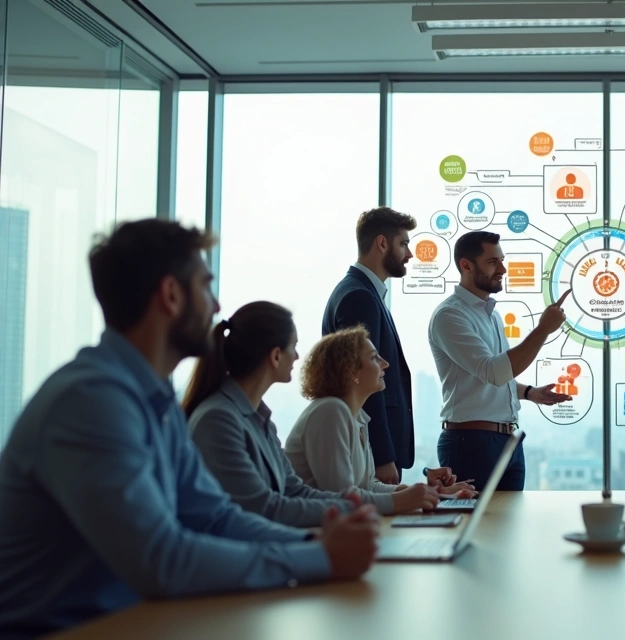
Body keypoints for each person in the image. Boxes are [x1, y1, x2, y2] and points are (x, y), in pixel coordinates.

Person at [0, 220, 378, 638]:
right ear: (171, 295)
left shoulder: (154, 402)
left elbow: (215, 517)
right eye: (205, 286)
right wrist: (321, 559)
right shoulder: (91, 401)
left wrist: (313, 547)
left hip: (133, 621)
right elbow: (162, 559)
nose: (216, 306)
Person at [185, 302, 440, 525]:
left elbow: (296, 491)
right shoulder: (219, 418)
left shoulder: (261, 421)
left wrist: (410, 495)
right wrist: (395, 503)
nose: (297, 355)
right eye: (293, 347)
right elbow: (267, 509)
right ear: (275, 356)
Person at [428, 231, 571, 490]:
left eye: (502, 260)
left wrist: (529, 392)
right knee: (475, 525)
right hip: (470, 443)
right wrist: (542, 330)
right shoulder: (449, 316)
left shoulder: (491, 315)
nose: (503, 269)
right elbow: (493, 372)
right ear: (466, 266)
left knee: (507, 526)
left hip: (507, 439)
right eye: (493, 262)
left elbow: (495, 377)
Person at [324, 207, 448, 488]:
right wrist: (382, 455)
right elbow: (362, 378)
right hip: (372, 449)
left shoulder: (364, 293)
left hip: (373, 445)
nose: (410, 253)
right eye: (403, 243)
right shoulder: (359, 297)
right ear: (382, 243)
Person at [285, 327, 476, 500]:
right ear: (350, 371)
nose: (385, 364)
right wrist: (407, 500)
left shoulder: (357, 416)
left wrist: (431, 492)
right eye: (374, 358)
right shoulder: (330, 412)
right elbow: (342, 497)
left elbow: (369, 486)